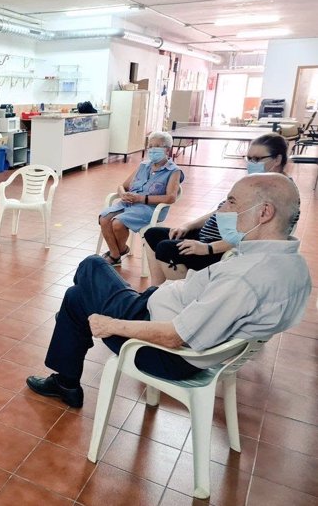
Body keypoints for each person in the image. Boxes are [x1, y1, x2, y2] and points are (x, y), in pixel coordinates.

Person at [27, 173, 310, 408]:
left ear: (264, 213)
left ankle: (67, 365)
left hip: (161, 348)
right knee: (76, 298)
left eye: (231, 202)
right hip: (164, 315)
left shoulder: (246, 279)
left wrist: (110, 324)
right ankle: (66, 380)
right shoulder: (291, 265)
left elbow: (175, 337)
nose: (222, 210)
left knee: (90, 266)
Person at [144, 133, 296, 285]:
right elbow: (221, 210)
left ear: (278, 159)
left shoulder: (281, 195)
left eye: (257, 159)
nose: (251, 163)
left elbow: (254, 237)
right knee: (153, 234)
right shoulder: (256, 182)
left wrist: (208, 248)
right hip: (207, 237)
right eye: (249, 158)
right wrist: (188, 226)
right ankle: (155, 291)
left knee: (167, 248)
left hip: (221, 248)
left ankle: (180, 297)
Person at [98, 131, 184, 266]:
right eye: (150, 146)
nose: (152, 149)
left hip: (149, 208)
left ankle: (116, 253)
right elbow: (123, 186)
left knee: (117, 223)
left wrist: (141, 198)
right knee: (104, 218)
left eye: (157, 146)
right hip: (129, 203)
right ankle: (117, 253)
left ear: (167, 149)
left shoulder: (174, 171)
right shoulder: (144, 165)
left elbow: (170, 198)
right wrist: (122, 194)